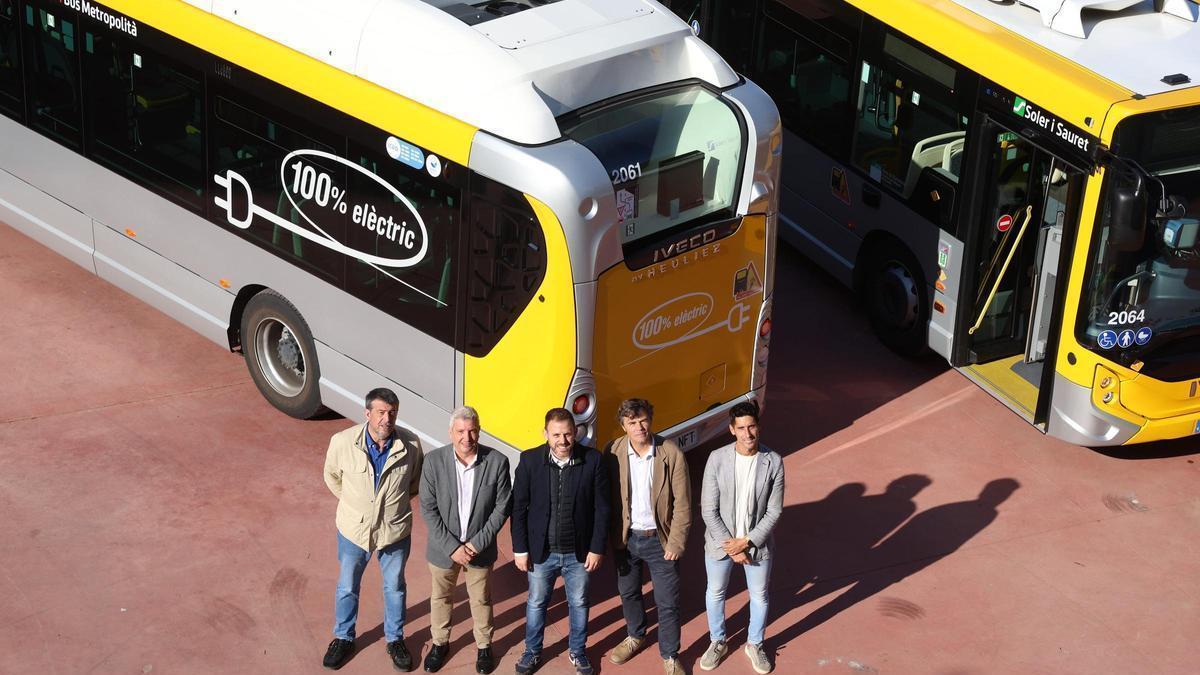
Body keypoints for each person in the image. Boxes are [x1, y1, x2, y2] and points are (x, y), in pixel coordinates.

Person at [321, 388, 425, 671]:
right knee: (347, 586)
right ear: (367, 414)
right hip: (354, 530)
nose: (386, 419)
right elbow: (331, 476)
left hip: (394, 531)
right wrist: (356, 507)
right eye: (380, 412)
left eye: (392, 413)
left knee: (394, 587)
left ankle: (395, 639)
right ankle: (343, 637)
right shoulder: (342, 442)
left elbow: (413, 485)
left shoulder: (412, 445)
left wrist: (389, 510)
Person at [511, 408, 611, 675]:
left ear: (576, 432)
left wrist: (596, 547)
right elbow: (519, 508)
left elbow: (602, 509)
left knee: (578, 603)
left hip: (578, 553)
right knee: (536, 603)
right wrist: (520, 549)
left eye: (568, 434)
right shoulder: (530, 461)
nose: (563, 441)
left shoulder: (593, 461)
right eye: (556, 435)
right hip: (541, 552)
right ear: (546, 434)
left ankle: (578, 652)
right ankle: (532, 652)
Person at [419, 407, 511, 674]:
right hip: (442, 550)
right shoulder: (433, 461)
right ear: (451, 432)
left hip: (478, 551)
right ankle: (440, 643)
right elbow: (428, 507)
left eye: (472, 430)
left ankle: (484, 646)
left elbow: (501, 507)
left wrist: (474, 545)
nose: (466, 437)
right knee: (441, 597)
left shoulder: (497, 462)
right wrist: (452, 547)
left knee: (480, 599)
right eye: (460, 431)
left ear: (479, 430)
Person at [605, 399, 691, 675]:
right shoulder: (613, 452)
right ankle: (636, 635)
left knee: (667, 602)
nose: (639, 427)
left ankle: (670, 654)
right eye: (632, 422)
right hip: (626, 540)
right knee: (629, 592)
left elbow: (683, 503)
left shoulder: (671, 453)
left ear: (650, 420)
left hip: (660, 541)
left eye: (643, 420)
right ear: (623, 426)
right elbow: (605, 497)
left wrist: (676, 542)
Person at [698, 400, 784, 675]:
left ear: (759, 427)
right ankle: (717, 641)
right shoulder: (716, 459)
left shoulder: (774, 462)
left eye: (753, 427)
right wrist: (732, 547)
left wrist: (746, 542)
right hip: (720, 545)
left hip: (756, 547)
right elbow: (708, 510)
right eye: (742, 428)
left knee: (759, 595)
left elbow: (774, 511)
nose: (748, 434)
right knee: (716, 593)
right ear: (731, 430)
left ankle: (755, 644)